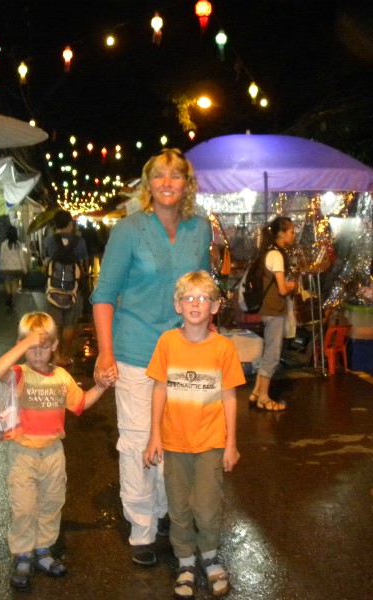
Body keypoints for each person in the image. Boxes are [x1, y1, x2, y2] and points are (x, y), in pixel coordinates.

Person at [91, 148, 212, 567]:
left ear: (187, 184)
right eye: (158, 175)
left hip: (184, 354)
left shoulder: (201, 229)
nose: (166, 183)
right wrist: (105, 353)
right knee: (139, 440)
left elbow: (204, 290)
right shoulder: (129, 229)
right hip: (135, 351)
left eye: (175, 176)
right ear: (148, 184)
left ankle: (164, 512)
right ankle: (142, 526)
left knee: (176, 440)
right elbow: (105, 295)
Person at [144, 271, 245, 598]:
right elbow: (159, 389)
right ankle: (185, 561)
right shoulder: (167, 343)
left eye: (203, 298)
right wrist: (154, 436)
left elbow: (229, 397)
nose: (195, 304)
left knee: (207, 505)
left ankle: (211, 557)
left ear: (215, 306)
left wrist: (231, 443)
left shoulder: (224, 348)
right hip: (174, 442)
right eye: (189, 297)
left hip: (211, 443)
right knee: (179, 506)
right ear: (178, 305)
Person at [0, 312, 108, 592]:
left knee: (50, 505)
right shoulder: (19, 374)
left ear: (55, 345)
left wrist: (102, 386)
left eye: (44, 345)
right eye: (31, 346)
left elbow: (81, 404)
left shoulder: (62, 378)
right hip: (23, 454)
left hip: (54, 453)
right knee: (23, 507)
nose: (38, 352)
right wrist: (25, 343)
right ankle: (22, 554)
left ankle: (43, 551)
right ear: (22, 344)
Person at [249, 216, 297, 411]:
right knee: (273, 355)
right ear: (281, 234)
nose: (293, 236)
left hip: (268, 309)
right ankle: (263, 397)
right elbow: (282, 289)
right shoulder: (277, 255)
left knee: (268, 351)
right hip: (274, 310)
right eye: (291, 232)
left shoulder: (268, 252)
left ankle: (255, 392)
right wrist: (292, 285)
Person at [43, 209, 89, 367]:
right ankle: (65, 355)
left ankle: (55, 356)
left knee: (54, 325)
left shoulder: (49, 241)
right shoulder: (80, 242)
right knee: (70, 324)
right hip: (73, 290)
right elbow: (84, 264)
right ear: (70, 224)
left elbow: (46, 261)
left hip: (53, 290)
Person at [0, 225, 28, 308]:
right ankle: (12, 297)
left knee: (7, 282)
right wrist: (24, 269)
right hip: (16, 268)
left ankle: (9, 295)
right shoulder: (18, 244)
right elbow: (21, 257)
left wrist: (0, 267)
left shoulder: (3, 244)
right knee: (15, 283)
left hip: (6, 268)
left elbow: (1, 257)